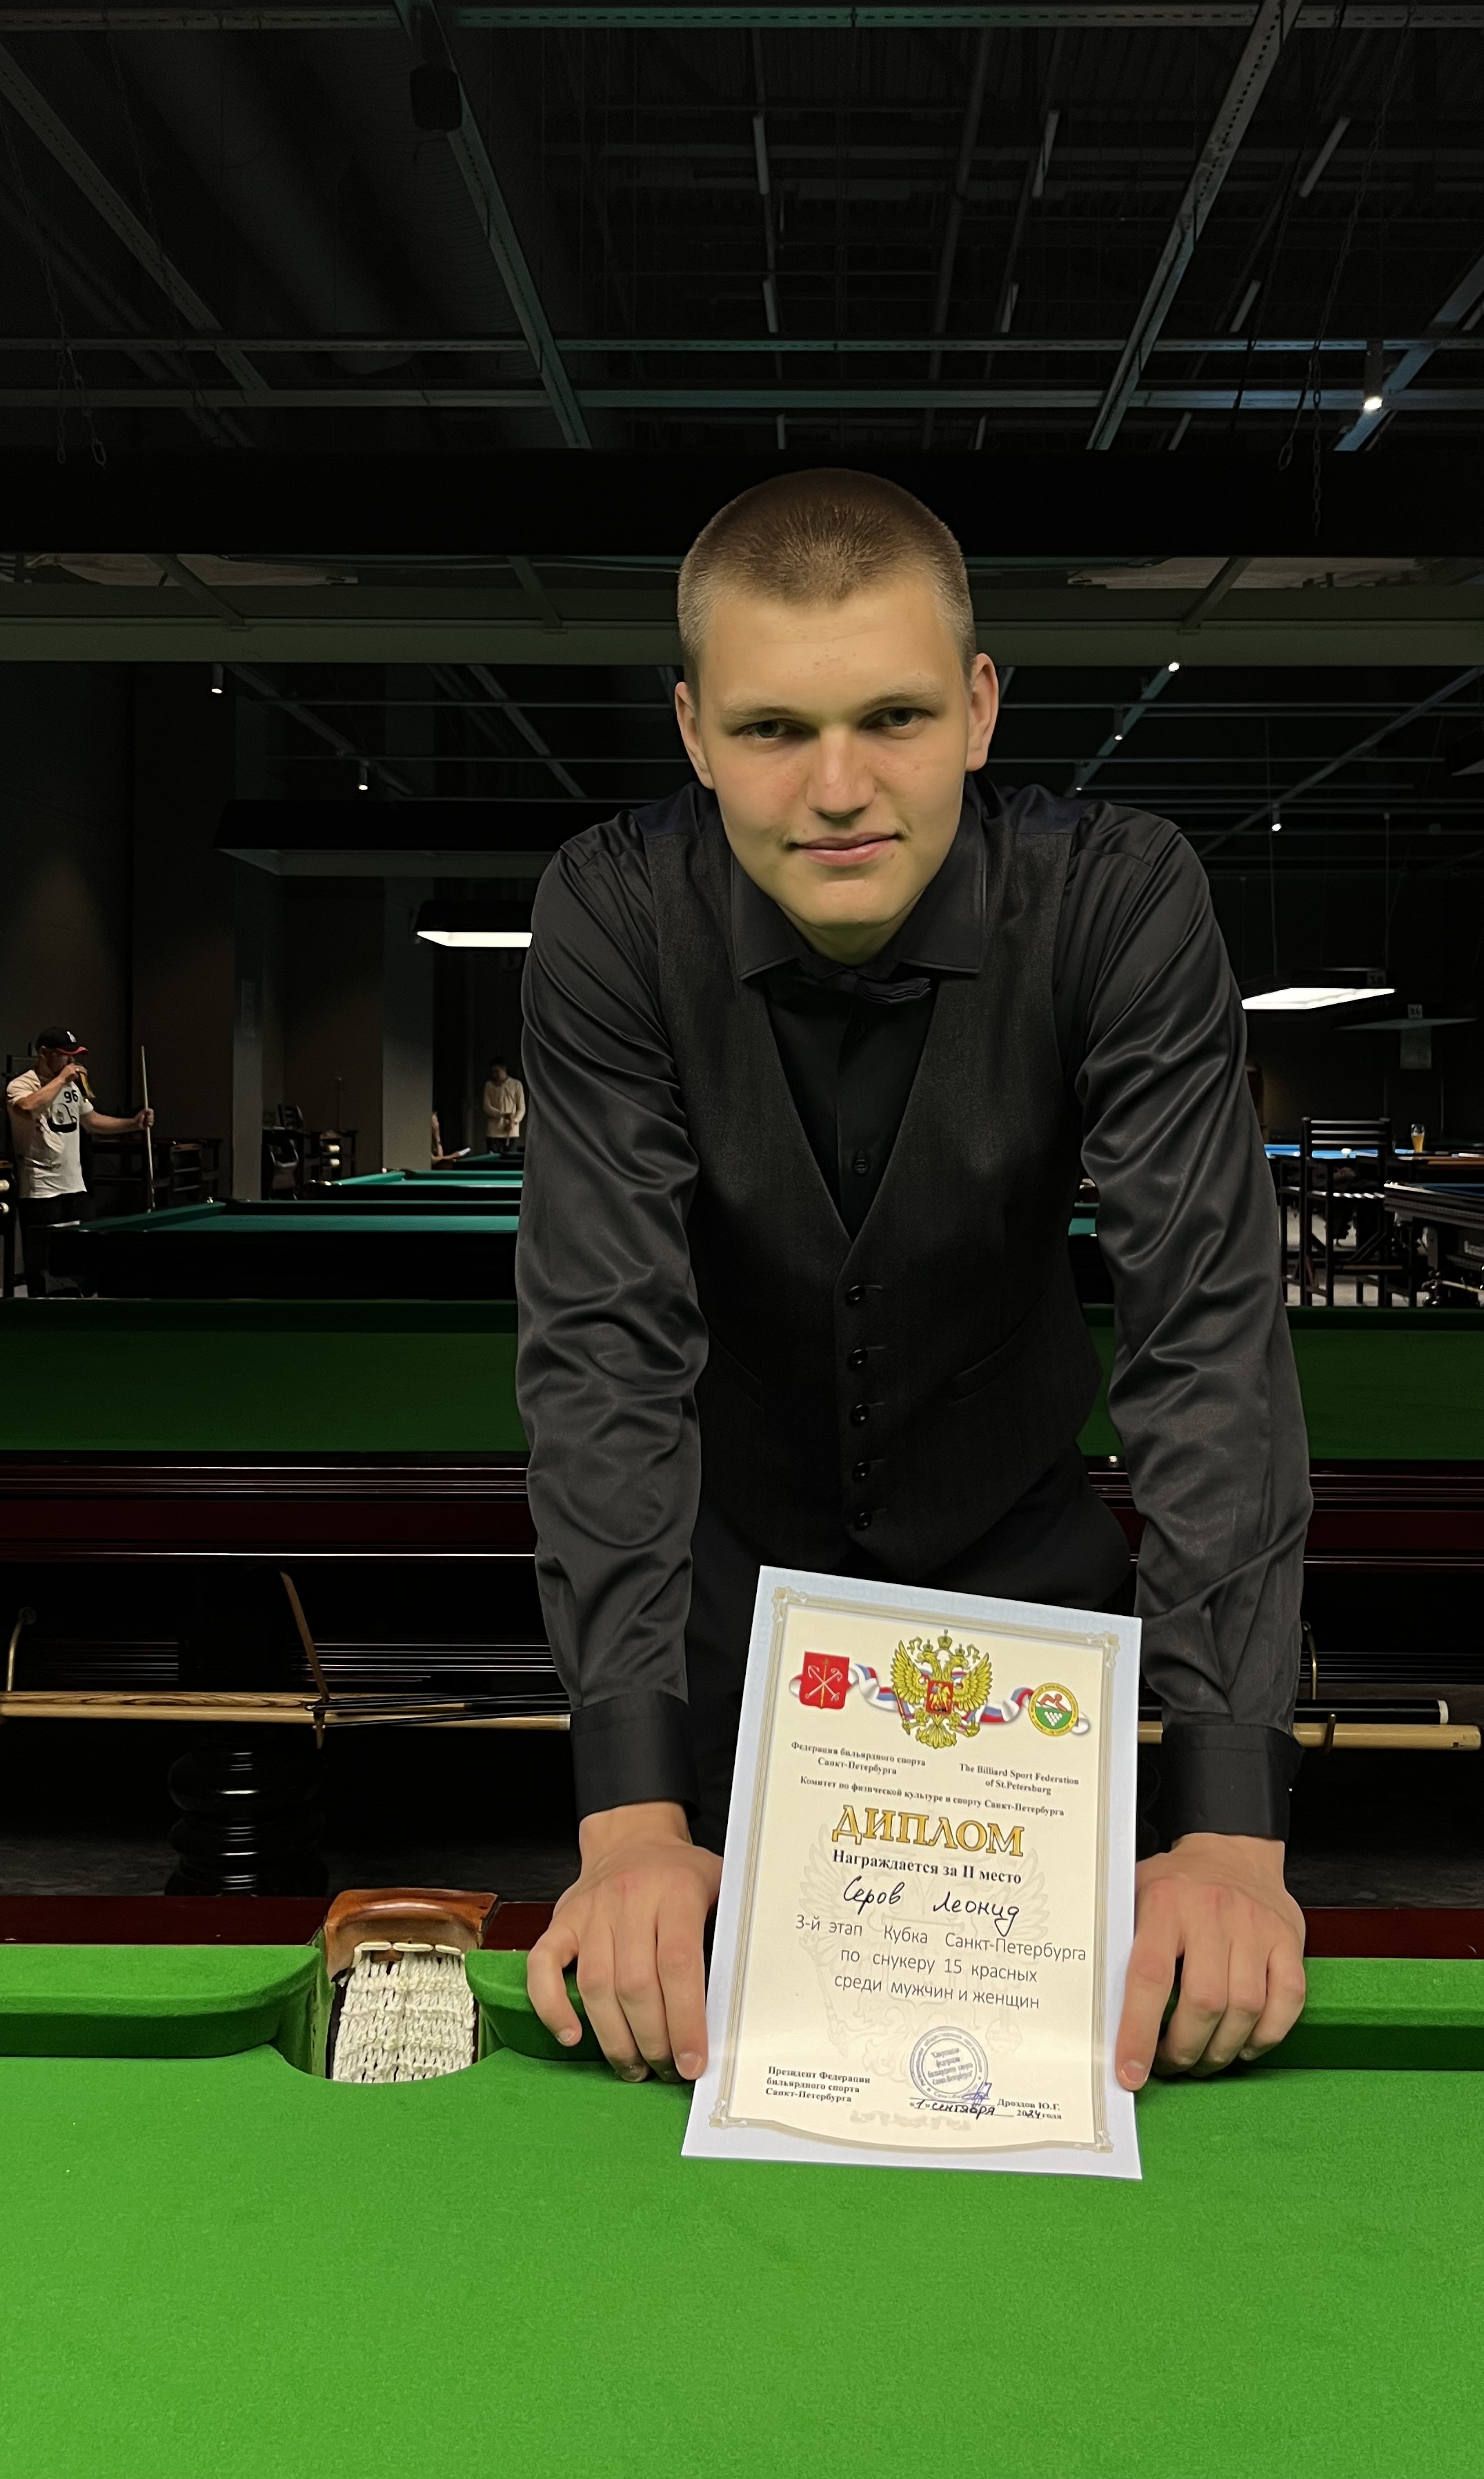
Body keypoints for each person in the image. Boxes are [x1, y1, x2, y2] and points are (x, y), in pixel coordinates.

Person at [516, 468, 1309, 2095]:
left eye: (892, 717)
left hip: (1030, 1583)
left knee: (1050, 2090)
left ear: (979, 709)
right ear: (692, 732)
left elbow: (1206, 1338)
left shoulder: (1120, 895)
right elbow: (606, 1351)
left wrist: (1230, 1828)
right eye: (772, 730)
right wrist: (630, 1818)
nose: (837, 789)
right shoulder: (613, 910)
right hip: (726, 1604)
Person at [5, 1027, 153, 1294]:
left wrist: (133, 1123)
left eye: (73, 1055)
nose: (71, 1061)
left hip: (75, 1185)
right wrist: (62, 1079)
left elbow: (91, 1121)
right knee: (45, 1263)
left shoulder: (71, 1086)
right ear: (44, 1053)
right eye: (64, 1055)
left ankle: (79, 1303)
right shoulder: (22, 1084)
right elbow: (28, 1108)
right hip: (41, 1187)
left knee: (82, 1259)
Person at [481, 1059, 526, 1152]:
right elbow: (487, 1107)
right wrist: (503, 1114)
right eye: (493, 1072)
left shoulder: (516, 1084)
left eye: (497, 1072)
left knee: (511, 1158)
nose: (495, 1075)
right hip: (494, 1132)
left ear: (504, 1069)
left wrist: (514, 1121)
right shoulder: (489, 1085)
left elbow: (522, 1108)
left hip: (511, 1132)